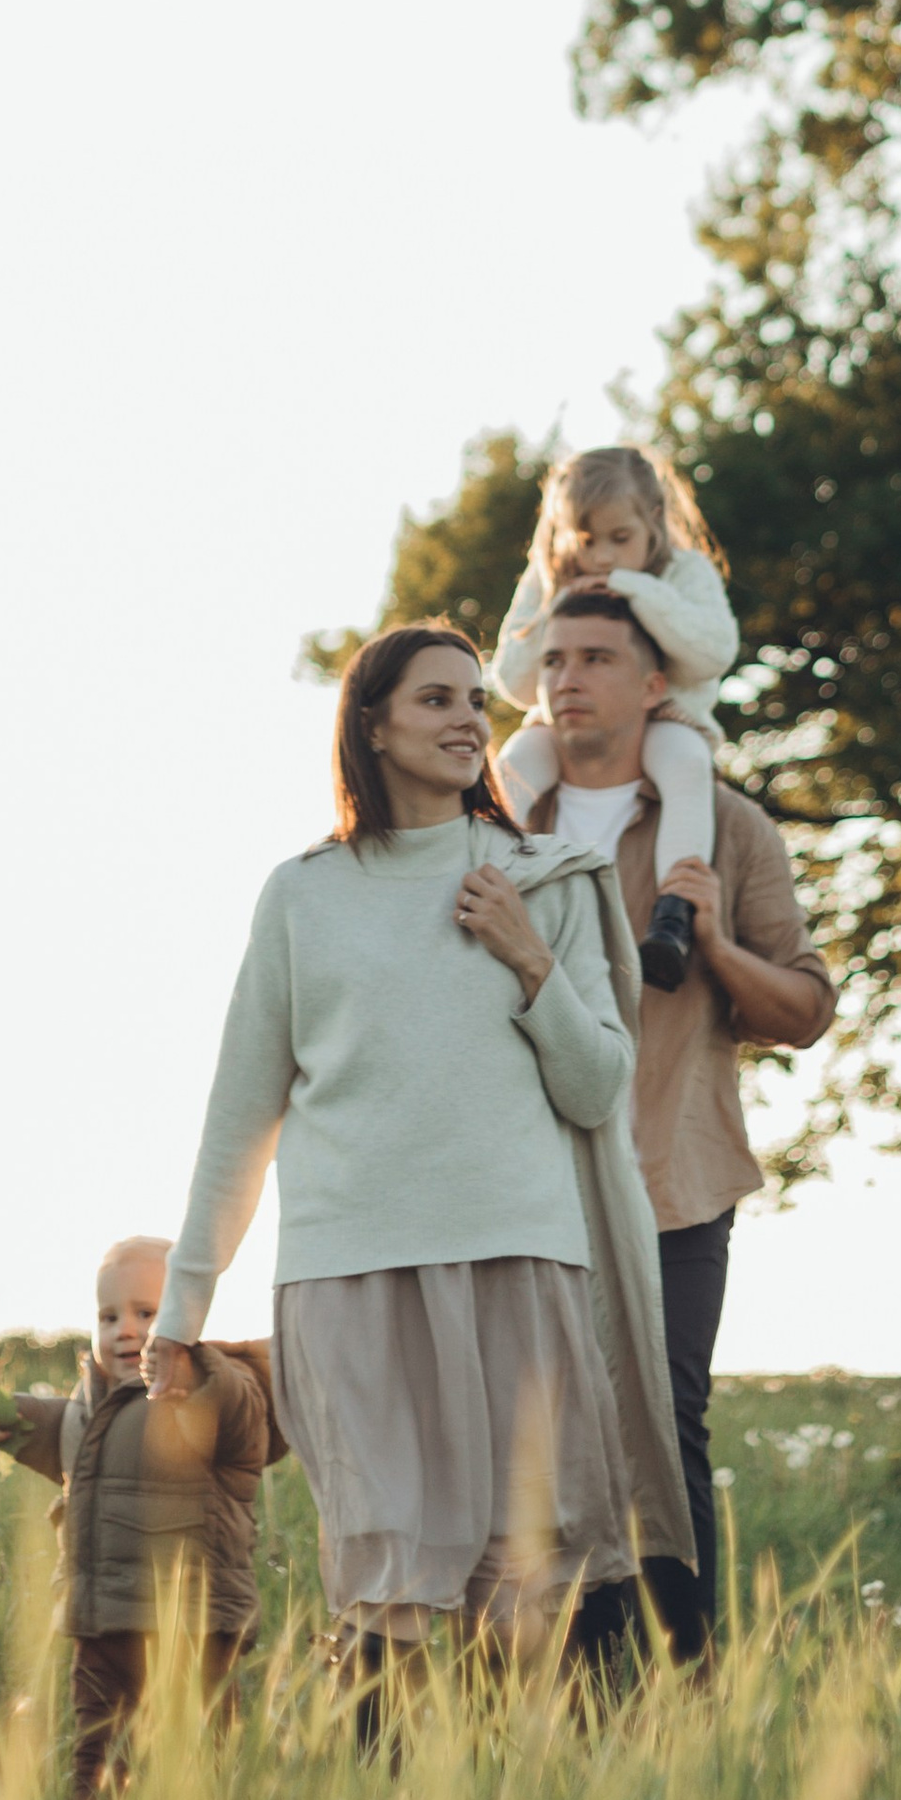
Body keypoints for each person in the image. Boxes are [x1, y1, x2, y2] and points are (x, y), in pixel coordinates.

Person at [144, 621, 690, 1716]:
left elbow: (596, 1091)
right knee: (387, 1577)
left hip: (516, 1256)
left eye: (475, 700)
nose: (466, 719)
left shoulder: (549, 878)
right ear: (373, 724)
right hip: (351, 1271)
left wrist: (527, 956)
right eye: (436, 699)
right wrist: (181, 1305)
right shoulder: (300, 895)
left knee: (525, 1573)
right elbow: (239, 1114)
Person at [515, 585, 835, 1662]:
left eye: (596, 657)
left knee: (663, 1425)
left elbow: (803, 1008)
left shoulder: (728, 825)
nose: (568, 677)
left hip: (673, 1174)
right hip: (525, 1182)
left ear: (655, 685)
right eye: (554, 658)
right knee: (541, 1438)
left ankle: (681, 1686)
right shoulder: (498, 820)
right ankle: (571, 1684)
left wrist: (713, 946)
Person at [0, 1233, 274, 1800]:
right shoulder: (90, 1404)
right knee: (97, 1756)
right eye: (108, 1315)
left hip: (193, 1624)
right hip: (102, 1626)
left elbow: (245, 1421)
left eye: (148, 1313)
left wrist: (198, 1373)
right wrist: (15, 1424)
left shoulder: (207, 1392)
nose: (126, 1329)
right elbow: (73, 1443)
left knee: (201, 1753)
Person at [490, 445, 738, 996]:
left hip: (669, 716)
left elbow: (713, 652)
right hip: (567, 722)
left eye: (618, 539)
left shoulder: (683, 570)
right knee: (512, 767)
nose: (601, 557)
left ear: (653, 522)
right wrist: (559, 604)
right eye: (585, 540)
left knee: (688, 768)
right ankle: (482, 882)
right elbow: (515, 680)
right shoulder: (548, 576)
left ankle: (672, 917)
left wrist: (639, 590)